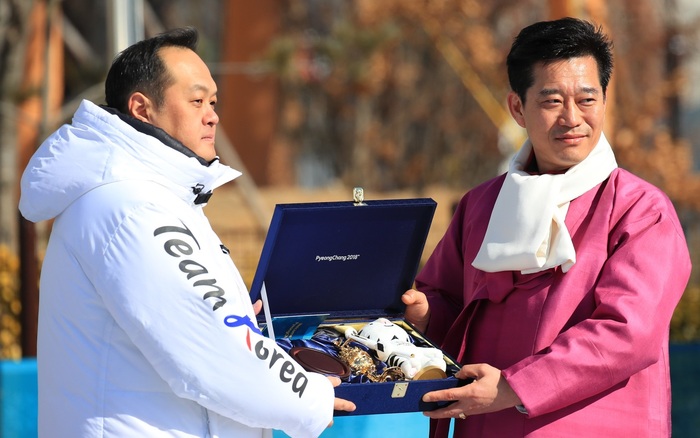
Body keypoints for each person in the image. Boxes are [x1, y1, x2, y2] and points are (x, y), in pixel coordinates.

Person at [19, 27, 354, 438]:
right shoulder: (129, 206)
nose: (212, 114)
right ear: (142, 109)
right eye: (196, 101)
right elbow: (207, 339)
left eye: (213, 102)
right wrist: (308, 396)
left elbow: (202, 321)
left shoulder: (161, 198)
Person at [402, 17, 691, 437]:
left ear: (605, 101)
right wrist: (425, 316)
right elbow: (447, 303)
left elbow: (627, 333)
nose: (572, 118)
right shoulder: (480, 205)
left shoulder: (641, 210)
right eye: (552, 101)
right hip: (485, 426)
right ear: (517, 108)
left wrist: (513, 387)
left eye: (587, 99)